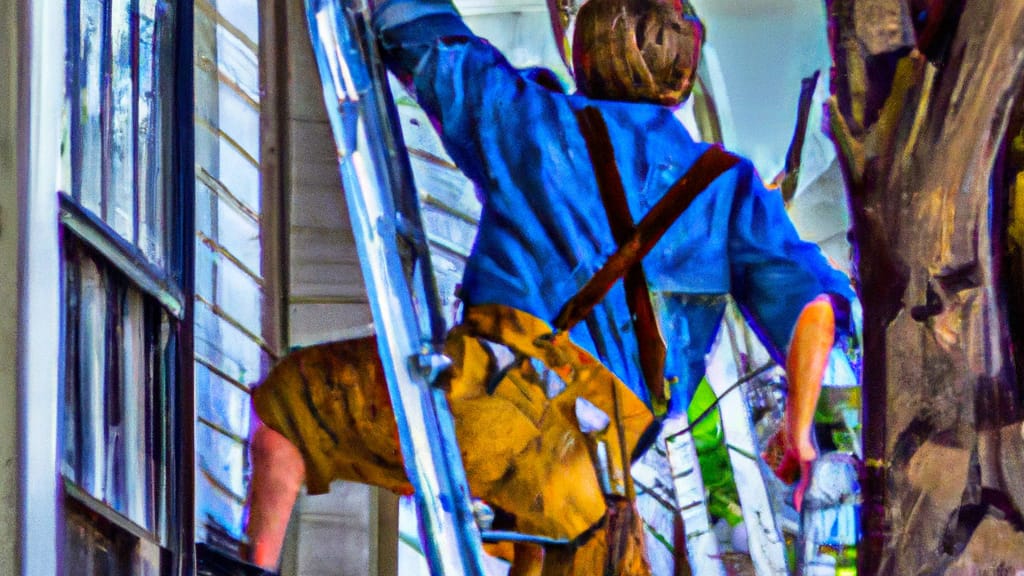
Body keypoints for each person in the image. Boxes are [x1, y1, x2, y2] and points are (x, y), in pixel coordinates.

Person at [245, 0, 854, 573]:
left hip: (486, 400)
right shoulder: (728, 189)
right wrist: (798, 432)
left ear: (586, 51)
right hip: (594, 484)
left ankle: (256, 566)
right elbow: (812, 310)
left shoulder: (531, 119)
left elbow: (423, 36)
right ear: (684, 68)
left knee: (292, 409)